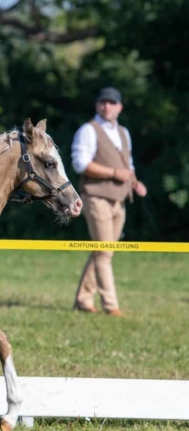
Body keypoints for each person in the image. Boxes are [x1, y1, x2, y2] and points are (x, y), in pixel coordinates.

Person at [72, 87, 147, 316]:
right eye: (103, 102)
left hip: (119, 199)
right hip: (95, 198)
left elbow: (128, 165)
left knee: (104, 251)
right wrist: (114, 173)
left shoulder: (123, 132)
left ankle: (84, 299)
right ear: (97, 105)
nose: (107, 106)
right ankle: (110, 305)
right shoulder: (88, 130)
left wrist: (134, 182)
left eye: (112, 103)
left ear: (119, 107)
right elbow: (81, 164)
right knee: (104, 251)